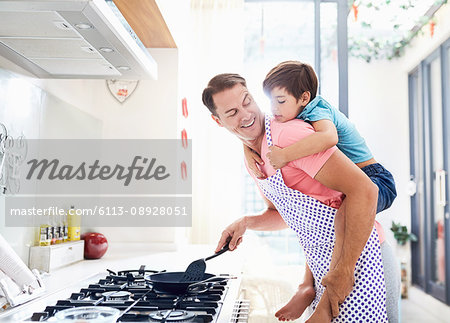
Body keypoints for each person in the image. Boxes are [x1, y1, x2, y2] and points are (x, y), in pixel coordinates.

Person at [202, 73, 390, 322]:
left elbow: (366, 190)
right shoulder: (254, 158)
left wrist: (344, 274)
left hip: (359, 263)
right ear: (219, 122)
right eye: (232, 112)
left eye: (247, 101)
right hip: (323, 266)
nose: (246, 115)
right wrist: (245, 223)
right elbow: (283, 215)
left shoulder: (286, 138)